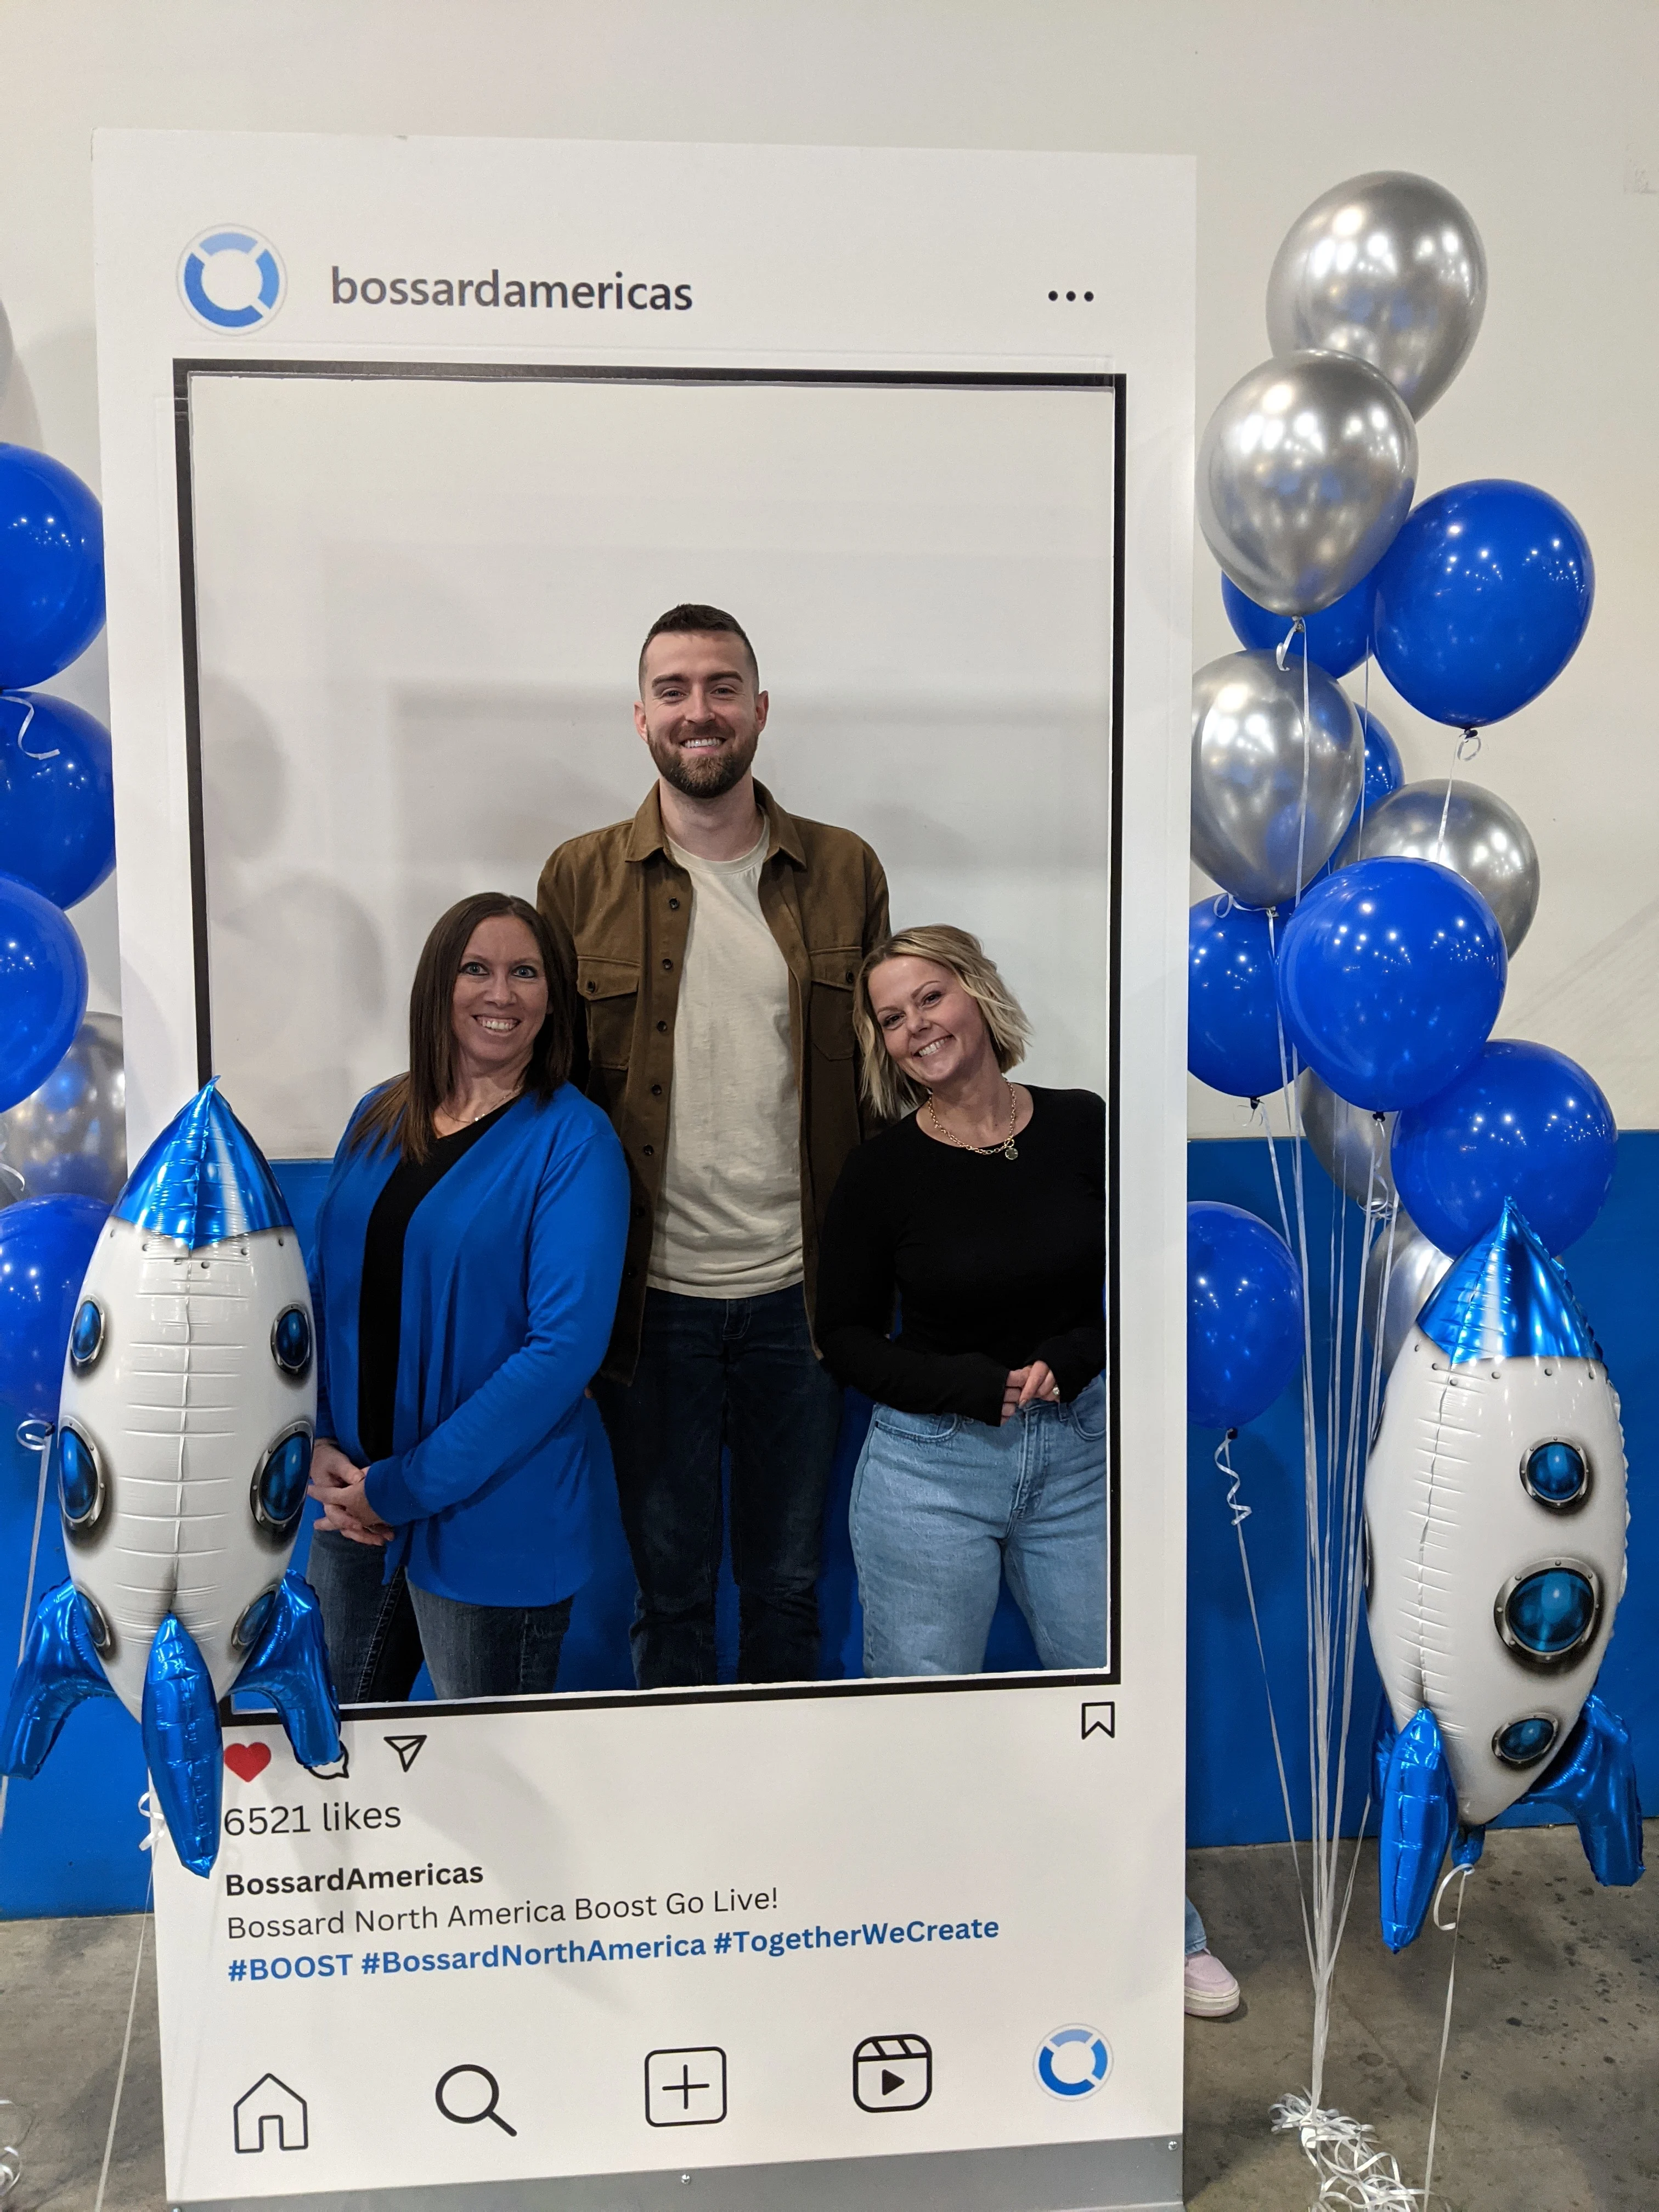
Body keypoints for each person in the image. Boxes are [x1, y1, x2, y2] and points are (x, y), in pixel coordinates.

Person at [815, 923, 1239, 2018]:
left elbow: (1140, 1277)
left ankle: (1162, 1934)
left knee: (1110, 1707)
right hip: (928, 1473)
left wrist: (1076, 1355)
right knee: (924, 1728)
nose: (916, 1026)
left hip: (1079, 1459)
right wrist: (965, 1385)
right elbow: (843, 1335)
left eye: (930, 997)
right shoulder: (880, 1171)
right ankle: (926, 1940)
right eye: (891, 1017)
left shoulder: (1084, 1125)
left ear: (978, 995)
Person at [538, 603, 889, 1689]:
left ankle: (783, 1798)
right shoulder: (578, 879)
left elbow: (884, 1086)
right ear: (641, 716)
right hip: (648, 1308)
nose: (701, 711)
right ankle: (679, 1794)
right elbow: (545, 1098)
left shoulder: (845, 870)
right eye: (675, 690)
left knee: (788, 1589)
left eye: (723, 687)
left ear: (760, 709)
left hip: (802, 1301)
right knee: (671, 1598)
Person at [304, 891, 628, 1702]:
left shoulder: (574, 1139)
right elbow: (325, 1292)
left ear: (553, 997)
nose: (501, 994)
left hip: (493, 1518)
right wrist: (318, 1438)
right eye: (476, 969)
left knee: (491, 1769)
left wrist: (401, 1487)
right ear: (438, 986)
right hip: (351, 1504)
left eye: (526, 973)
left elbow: (562, 1351)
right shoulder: (378, 1114)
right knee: (333, 1749)